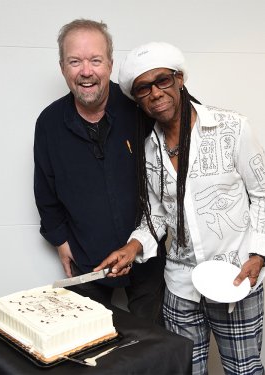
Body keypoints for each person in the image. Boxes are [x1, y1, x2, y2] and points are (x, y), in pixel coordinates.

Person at [94, 41, 265, 374]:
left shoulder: (232, 128)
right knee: (183, 370)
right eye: (143, 88)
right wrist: (132, 247)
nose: (155, 92)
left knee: (244, 370)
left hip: (235, 279)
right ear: (138, 99)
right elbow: (157, 215)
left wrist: (258, 254)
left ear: (179, 79)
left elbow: (262, 193)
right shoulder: (148, 150)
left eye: (162, 80)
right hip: (180, 286)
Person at [33, 19, 166, 324]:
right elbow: (45, 190)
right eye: (75, 61)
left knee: (156, 347)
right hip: (87, 261)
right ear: (62, 67)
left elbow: (181, 132)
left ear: (110, 63)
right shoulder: (48, 123)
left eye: (95, 60)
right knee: (92, 352)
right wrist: (61, 243)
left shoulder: (140, 105)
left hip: (147, 257)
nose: (86, 71)